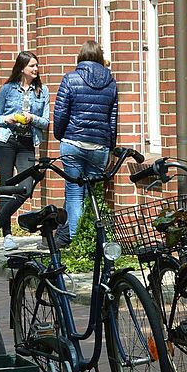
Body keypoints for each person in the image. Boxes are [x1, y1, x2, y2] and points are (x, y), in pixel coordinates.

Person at [52, 40, 118, 244]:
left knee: (74, 194)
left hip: (73, 142)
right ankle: (93, 242)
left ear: (81, 57)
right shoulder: (111, 82)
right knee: (93, 194)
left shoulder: (70, 78)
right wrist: (110, 146)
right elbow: (113, 119)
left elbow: (60, 113)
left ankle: (75, 241)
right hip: (99, 145)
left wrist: (60, 135)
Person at [0, 51, 49, 250]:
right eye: (32, 66)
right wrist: (8, 118)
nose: (36, 69)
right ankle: (8, 236)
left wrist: (32, 118)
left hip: (27, 143)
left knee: (26, 188)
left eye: (36, 65)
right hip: (6, 141)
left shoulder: (42, 91)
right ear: (22, 68)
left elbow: (46, 122)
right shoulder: (8, 89)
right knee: (6, 187)